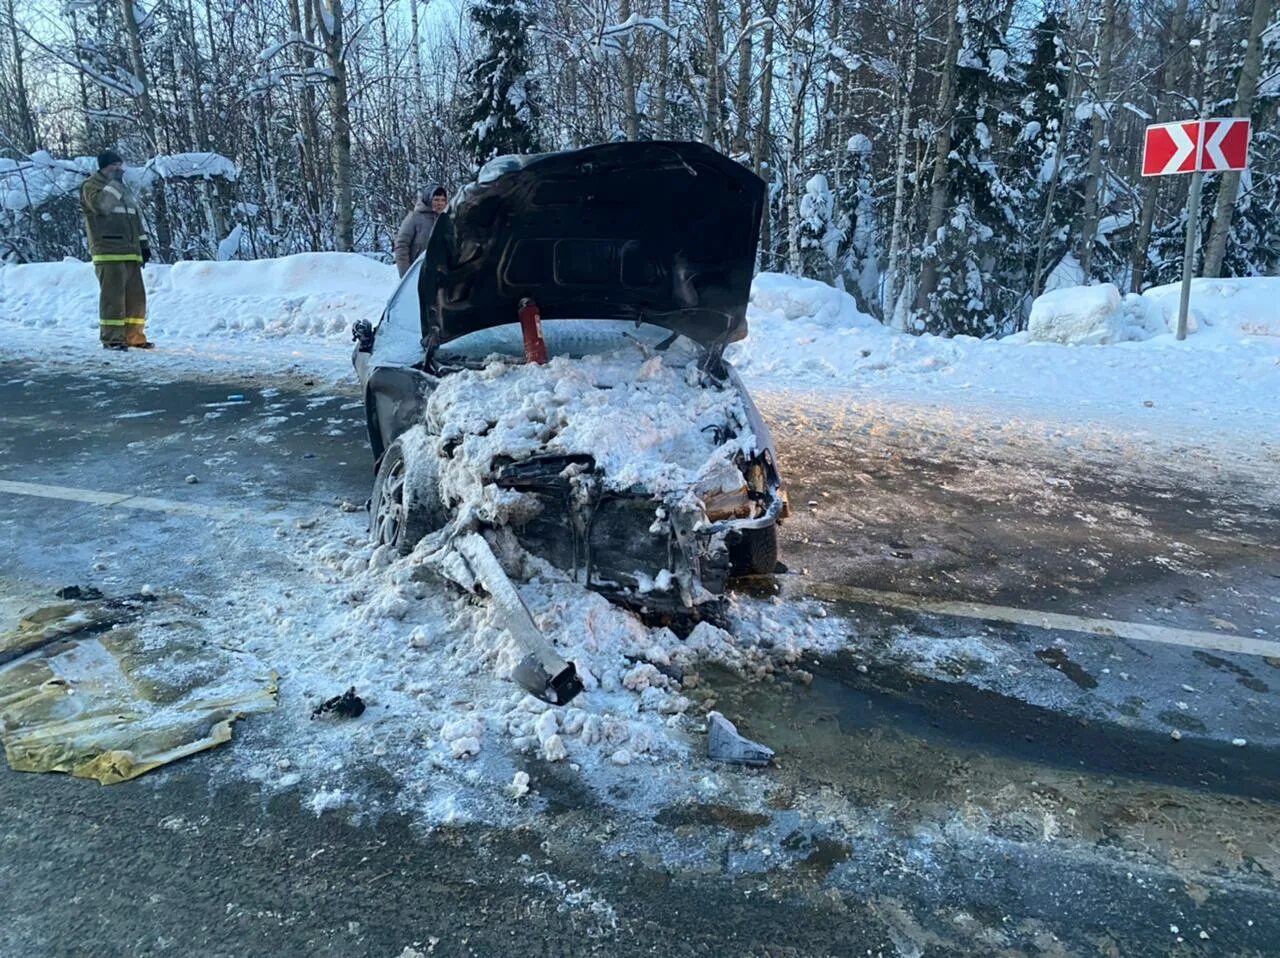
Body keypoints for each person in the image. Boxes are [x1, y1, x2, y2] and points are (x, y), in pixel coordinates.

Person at [80, 149, 153, 350]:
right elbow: (101, 206)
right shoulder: (91, 186)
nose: (119, 169)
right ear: (104, 167)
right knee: (113, 298)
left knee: (136, 299)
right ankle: (112, 339)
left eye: (120, 165)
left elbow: (134, 219)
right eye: (114, 165)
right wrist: (114, 184)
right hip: (108, 251)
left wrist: (144, 246)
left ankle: (134, 337)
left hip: (131, 251)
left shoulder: (122, 188)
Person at [393, 184, 447, 277]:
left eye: (443, 200)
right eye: (436, 199)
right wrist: (407, 275)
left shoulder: (447, 219)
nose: (440, 203)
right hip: (418, 274)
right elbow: (401, 245)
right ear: (428, 200)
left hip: (442, 275)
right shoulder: (414, 218)